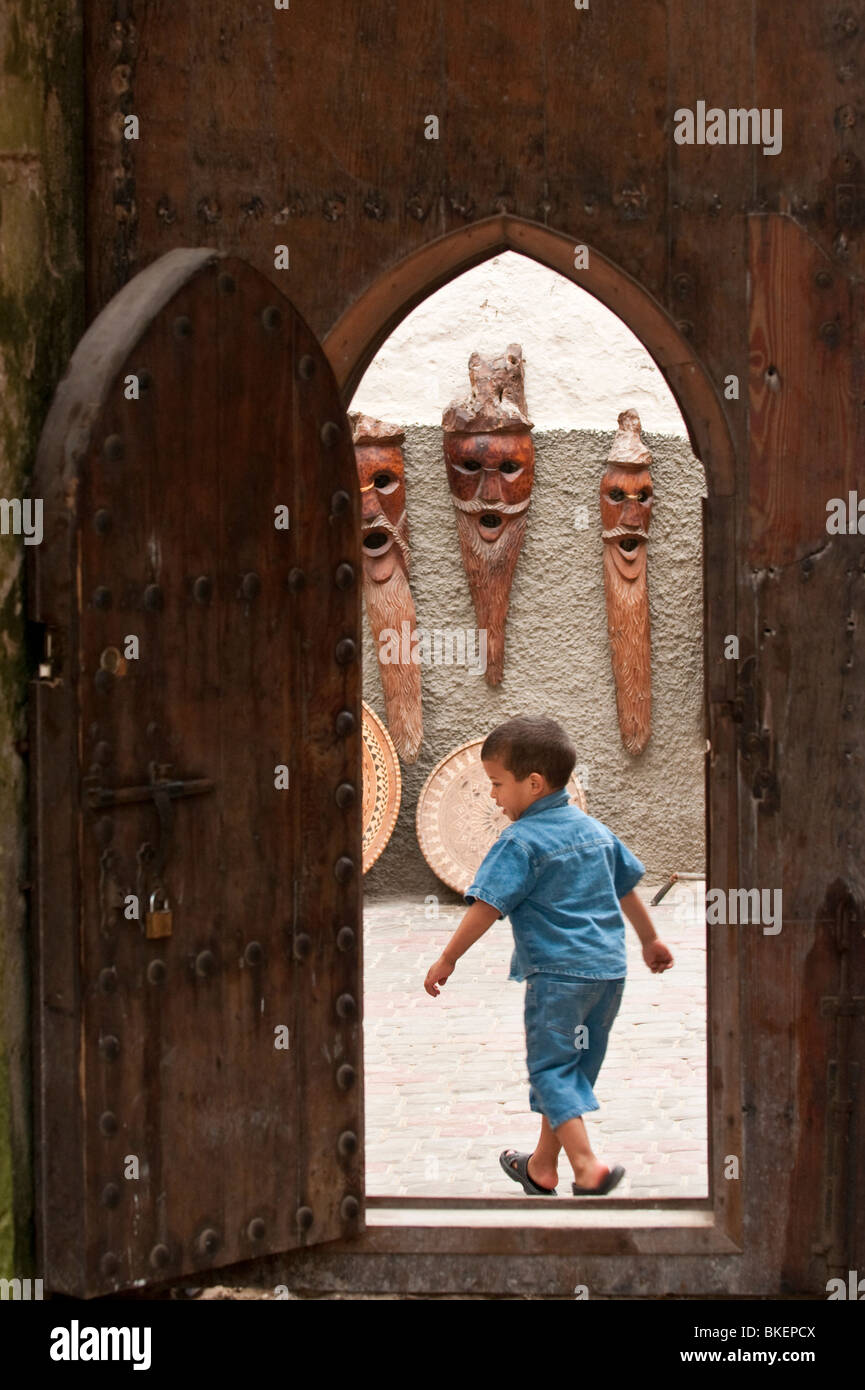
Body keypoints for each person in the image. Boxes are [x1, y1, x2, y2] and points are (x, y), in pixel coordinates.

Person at [423, 714, 674, 1196]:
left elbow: (486, 907)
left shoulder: (520, 841)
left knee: (551, 1071)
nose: (493, 797)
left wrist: (448, 958)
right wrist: (649, 940)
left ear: (533, 784)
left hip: (558, 978)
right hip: (608, 976)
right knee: (571, 1070)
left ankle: (587, 1166)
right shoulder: (597, 832)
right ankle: (541, 1167)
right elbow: (628, 892)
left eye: (497, 784)